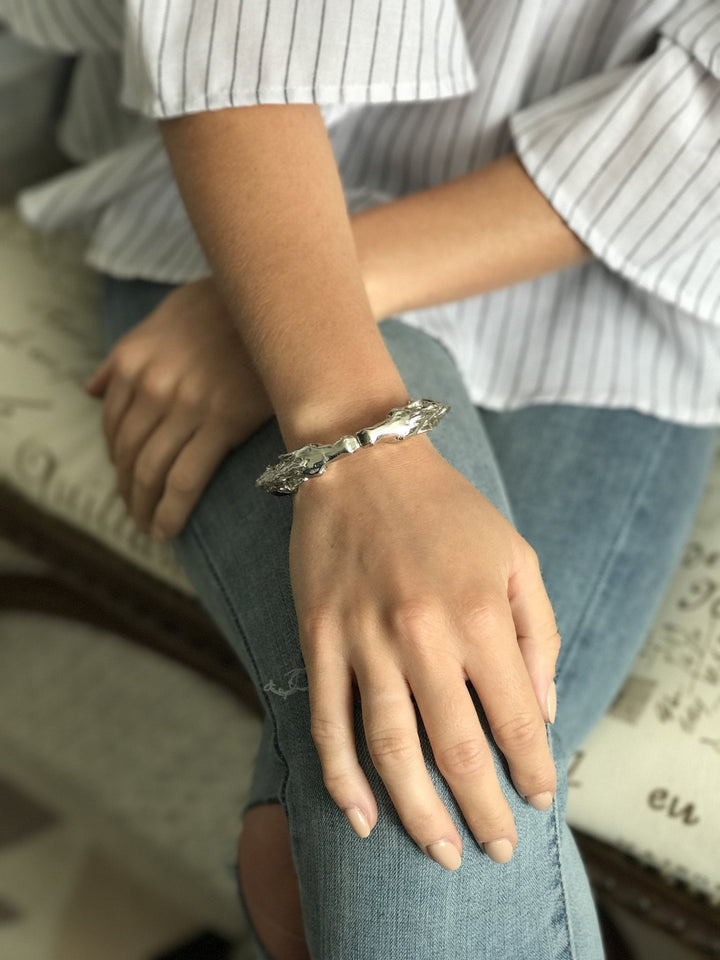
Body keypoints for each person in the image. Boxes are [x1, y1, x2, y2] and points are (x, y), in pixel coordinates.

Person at [3, 1, 720, 957]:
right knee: (420, 800)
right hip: (265, 202)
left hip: (625, 290)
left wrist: (338, 288)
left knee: (362, 843)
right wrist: (345, 419)